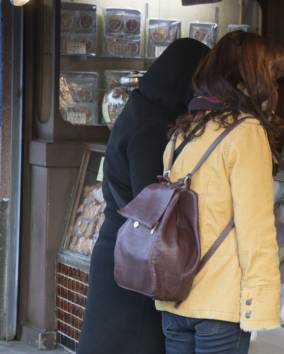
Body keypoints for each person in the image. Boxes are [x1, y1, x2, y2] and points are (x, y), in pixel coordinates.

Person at [156, 31, 284, 354]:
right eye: (270, 73)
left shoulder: (182, 132)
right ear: (251, 77)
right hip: (220, 306)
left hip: (176, 299)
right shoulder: (246, 133)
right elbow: (255, 231)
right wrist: (261, 310)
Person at [78, 38, 210, 354]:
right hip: (133, 266)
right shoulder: (151, 127)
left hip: (120, 252)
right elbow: (151, 201)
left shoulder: (140, 111)